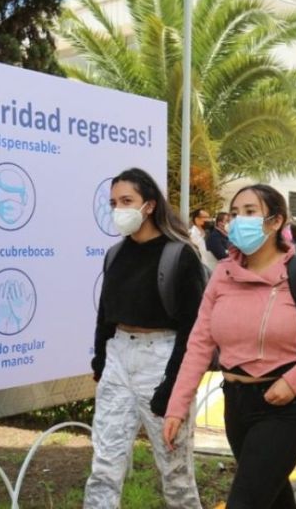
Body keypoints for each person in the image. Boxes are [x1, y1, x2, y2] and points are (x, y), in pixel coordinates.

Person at [164, 184, 296, 509]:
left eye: (250, 212)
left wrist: (293, 382)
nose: (239, 220)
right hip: (236, 404)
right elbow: (199, 343)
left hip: (283, 409)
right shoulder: (223, 273)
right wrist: (176, 406)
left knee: (245, 502)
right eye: (235, 213)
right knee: (275, 501)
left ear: (275, 221)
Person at [85, 168, 204, 508]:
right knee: (104, 463)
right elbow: (105, 313)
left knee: (175, 469)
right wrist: (100, 359)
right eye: (113, 202)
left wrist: (173, 386)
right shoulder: (115, 254)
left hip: (162, 358)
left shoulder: (179, 254)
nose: (118, 209)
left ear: (149, 205)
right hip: (119, 355)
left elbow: (193, 328)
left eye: (127, 201)